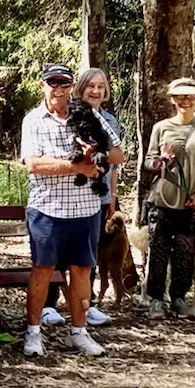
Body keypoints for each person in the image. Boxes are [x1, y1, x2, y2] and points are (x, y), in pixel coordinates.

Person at [20, 63, 124, 358]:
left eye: (64, 83)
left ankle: (79, 332)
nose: (59, 89)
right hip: (48, 208)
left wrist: (98, 155)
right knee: (42, 271)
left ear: (71, 86)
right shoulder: (33, 120)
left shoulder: (88, 114)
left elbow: (118, 153)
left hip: (86, 208)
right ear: (42, 85)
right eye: (52, 82)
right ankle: (33, 332)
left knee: (82, 271)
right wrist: (78, 166)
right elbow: (34, 164)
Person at [42, 67, 120, 327]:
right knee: (57, 252)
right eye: (90, 86)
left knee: (89, 254)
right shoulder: (71, 113)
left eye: (100, 87)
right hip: (67, 193)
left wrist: (113, 195)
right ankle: (50, 303)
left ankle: (87, 304)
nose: (95, 91)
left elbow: (115, 163)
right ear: (81, 88)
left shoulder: (109, 120)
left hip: (99, 193)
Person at [141, 77, 195, 321]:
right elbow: (148, 162)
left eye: (190, 96)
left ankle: (178, 298)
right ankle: (156, 299)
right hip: (162, 201)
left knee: (185, 253)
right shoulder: (161, 127)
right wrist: (162, 160)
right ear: (172, 99)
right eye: (179, 96)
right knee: (159, 252)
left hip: (192, 203)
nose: (185, 101)